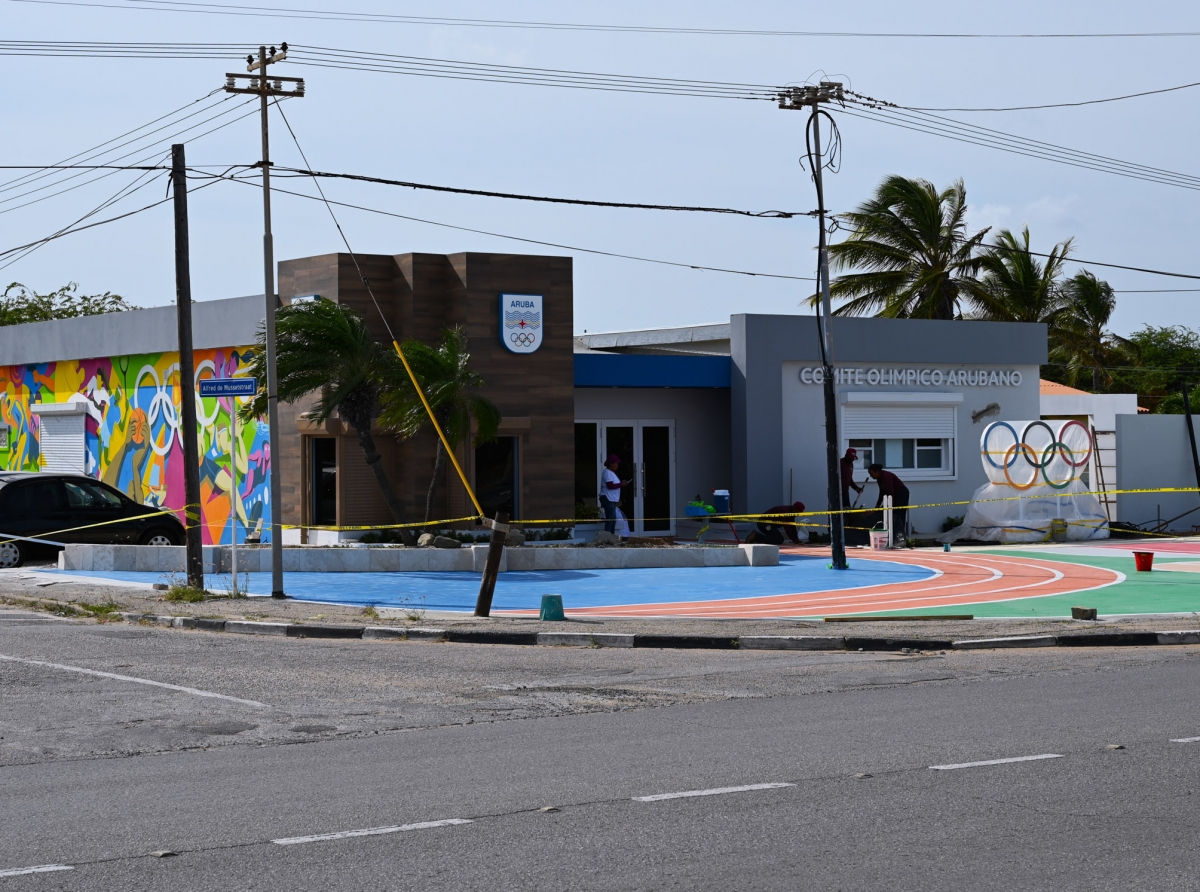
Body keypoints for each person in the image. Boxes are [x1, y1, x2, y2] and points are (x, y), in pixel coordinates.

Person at [868, 463, 910, 545]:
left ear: (877, 472)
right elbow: (882, 492)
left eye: (871, 474)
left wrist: (889, 506)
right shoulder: (879, 479)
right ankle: (890, 535)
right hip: (893, 495)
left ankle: (900, 537)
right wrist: (878, 505)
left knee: (899, 515)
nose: (871, 476)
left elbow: (890, 493)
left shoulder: (886, 477)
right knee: (888, 514)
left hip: (901, 494)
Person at [599, 454, 632, 535]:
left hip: (611, 499)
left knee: (612, 520)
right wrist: (622, 484)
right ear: (611, 464)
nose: (617, 465)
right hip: (608, 498)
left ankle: (611, 537)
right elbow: (610, 485)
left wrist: (621, 483)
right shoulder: (607, 472)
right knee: (610, 520)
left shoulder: (611, 473)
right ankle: (607, 538)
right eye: (616, 463)